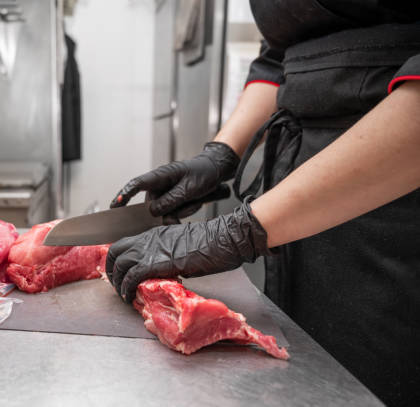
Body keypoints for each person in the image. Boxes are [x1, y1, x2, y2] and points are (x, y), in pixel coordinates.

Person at [105, 2, 420, 406]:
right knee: (299, 372)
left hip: (392, 192)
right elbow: (278, 58)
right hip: (299, 191)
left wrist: (239, 231)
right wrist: (221, 153)